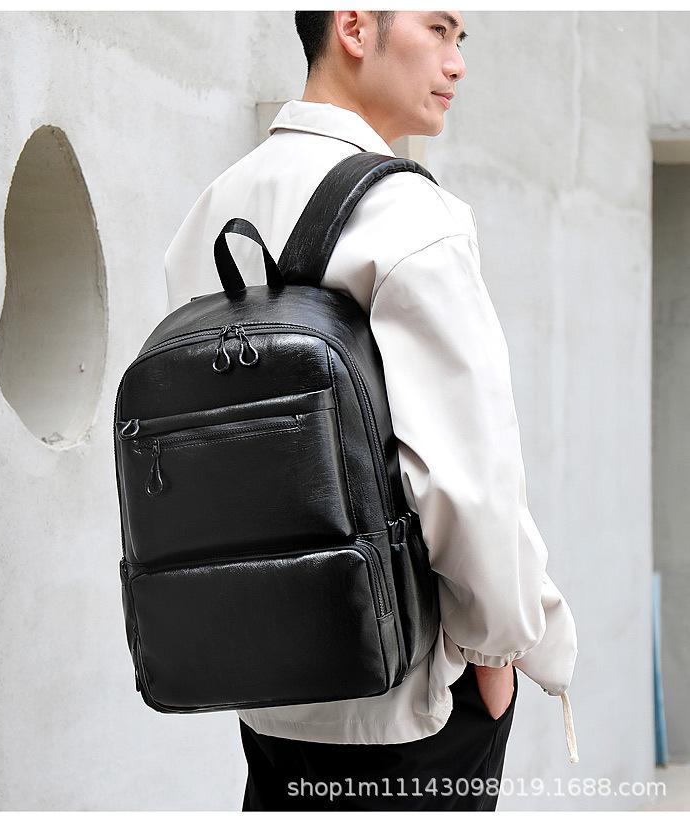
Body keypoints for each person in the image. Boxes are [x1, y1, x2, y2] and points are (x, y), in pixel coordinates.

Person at [164, 10, 579, 811]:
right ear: (354, 26)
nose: (457, 63)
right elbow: (469, 480)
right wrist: (498, 653)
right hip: (413, 700)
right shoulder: (410, 218)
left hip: (265, 683)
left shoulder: (213, 208)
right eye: (440, 29)